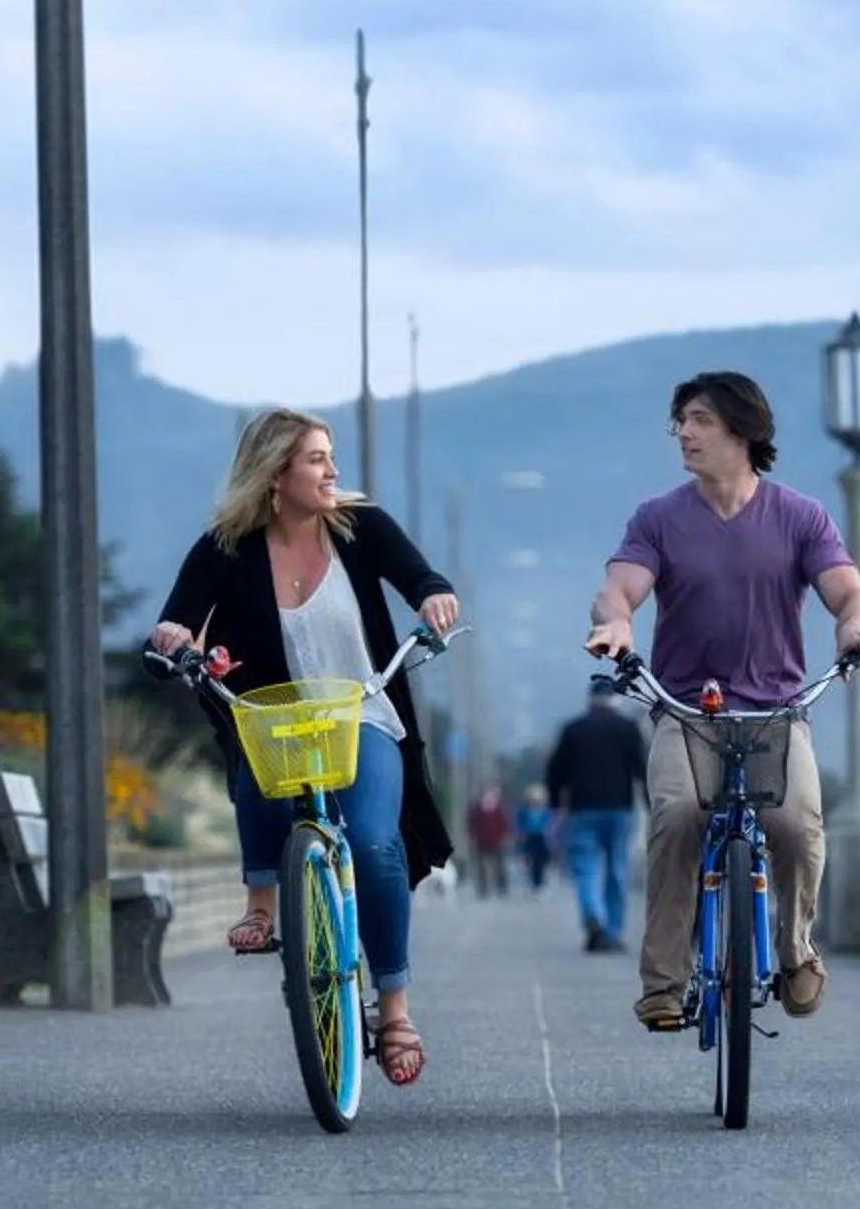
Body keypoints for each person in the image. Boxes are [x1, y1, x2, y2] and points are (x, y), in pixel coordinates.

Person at [148, 408, 461, 1087]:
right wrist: (174, 637)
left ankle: (396, 1007)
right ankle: (263, 903)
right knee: (258, 766)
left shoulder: (360, 527)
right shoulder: (225, 547)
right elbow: (179, 614)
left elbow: (418, 576)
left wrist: (434, 597)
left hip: (364, 714)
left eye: (330, 456)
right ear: (275, 475)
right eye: (317, 459)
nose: (333, 471)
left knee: (378, 844)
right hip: (278, 720)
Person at [583, 372, 860, 1029]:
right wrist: (615, 625)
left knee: (797, 828)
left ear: (743, 430)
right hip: (687, 712)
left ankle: (795, 951)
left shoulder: (800, 516)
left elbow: (846, 594)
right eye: (681, 421)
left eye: (699, 420)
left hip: (777, 713)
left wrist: (853, 628)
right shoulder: (659, 518)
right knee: (676, 816)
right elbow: (620, 589)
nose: (685, 434)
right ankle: (664, 984)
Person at [544, 676, 648, 953]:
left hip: (581, 810)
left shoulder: (572, 730)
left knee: (585, 868)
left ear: (589, 700)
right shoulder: (628, 729)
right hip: (619, 809)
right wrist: (651, 805)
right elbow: (642, 770)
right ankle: (611, 931)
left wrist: (555, 804)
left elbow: (555, 771)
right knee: (617, 869)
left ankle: (594, 917)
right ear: (616, 700)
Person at [463, 783, 513, 898]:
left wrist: (506, 837)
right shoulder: (476, 811)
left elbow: (505, 825)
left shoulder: (499, 810)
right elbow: (471, 825)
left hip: (497, 842)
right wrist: (470, 836)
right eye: (486, 796)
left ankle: (502, 887)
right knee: (481, 867)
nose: (488, 798)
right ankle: (483, 888)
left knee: (500, 866)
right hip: (481, 842)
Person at [514, 783, 557, 896]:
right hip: (529, 838)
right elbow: (520, 824)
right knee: (530, 862)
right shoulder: (524, 811)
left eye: (538, 799)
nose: (535, 802)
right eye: (533, 799)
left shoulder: (546, 811)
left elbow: (550, 824)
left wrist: (550, 833)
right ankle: (533, 884)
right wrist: (521, 832)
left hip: (542, 839)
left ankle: (541, 883)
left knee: (541, 862)